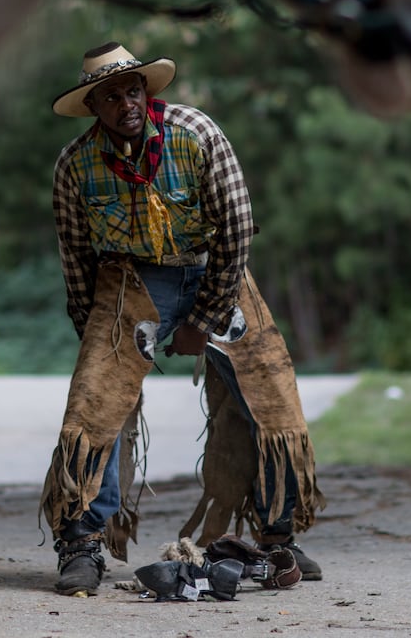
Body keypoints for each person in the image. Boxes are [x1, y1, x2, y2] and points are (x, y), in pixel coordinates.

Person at [38, 40, 325, 596]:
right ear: (93, 107)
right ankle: (81, 542)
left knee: (271, 396)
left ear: (147, 92)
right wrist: (95, 336)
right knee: (95, 403)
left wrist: (206, 316)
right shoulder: (75, 165)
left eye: (133, 90)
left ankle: (276, 536)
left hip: (213, 267)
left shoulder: (195, 134)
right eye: (111, 96)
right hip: (131, 280)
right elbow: (75, 255)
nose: (126, 103)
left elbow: (237, 230)